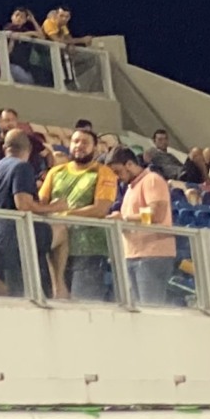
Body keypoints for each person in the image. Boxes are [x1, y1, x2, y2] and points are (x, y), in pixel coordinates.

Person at [38, 126, 121, 301]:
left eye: (85, 142)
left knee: (83, 304)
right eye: (76, 141)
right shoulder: (55, 172)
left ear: (95, 147)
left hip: (88, 249)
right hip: (56, 250)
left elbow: (100, 209)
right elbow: (42, 204)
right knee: (57, 302)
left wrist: (65, 214)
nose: (79, 146)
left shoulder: (104, 173)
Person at [0, 129, 43, 296]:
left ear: (5, 148)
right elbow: (24, 205)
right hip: (15, 242)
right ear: (28, 150)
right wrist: (55, 207)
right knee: (19, 296)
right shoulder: (22, 167)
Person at [108, 145, 178, 305]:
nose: (118, 177)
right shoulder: (131, 188)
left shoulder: (152, 180)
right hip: (135, 254)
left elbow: (156, 215)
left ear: (130, 164)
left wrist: (125, 219)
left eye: (118, 172)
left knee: (149, 309)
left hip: (152, 255)